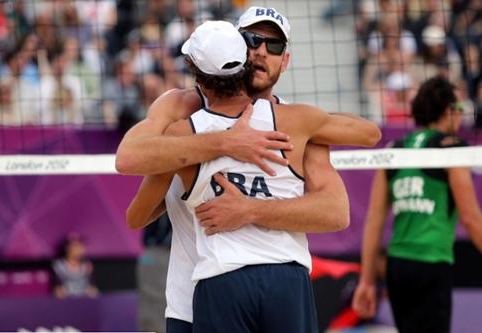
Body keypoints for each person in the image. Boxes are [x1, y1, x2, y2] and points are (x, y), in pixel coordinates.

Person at [118, 7, 381, 333]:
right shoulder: (181, 109)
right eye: (252, 40)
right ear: (237, 48)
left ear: (285, 61)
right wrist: (226, 143)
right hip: (192, 297)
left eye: (273, 46)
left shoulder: (299, 124)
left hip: (250, 279)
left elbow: (337, 211)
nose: (260, 51)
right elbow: (128, 161)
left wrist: (249, 210)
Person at [352, 76, 482, 333]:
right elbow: (470, 217)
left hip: (397, 266)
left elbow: (374, 220)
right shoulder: (451, 148)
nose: (461, 117)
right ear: (448, 111)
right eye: (459, 110)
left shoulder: (394, 149)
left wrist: (366, 280)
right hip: (431, 262)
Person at [52, 232, 98, 299]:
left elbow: (92, 287)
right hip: (66, 300)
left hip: (84, 299)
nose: (81, 250)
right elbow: (57, 288)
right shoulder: (59, 266)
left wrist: (91, 291)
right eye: (76, 246)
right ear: (68, 248)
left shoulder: (87, 266)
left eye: (81, 246)